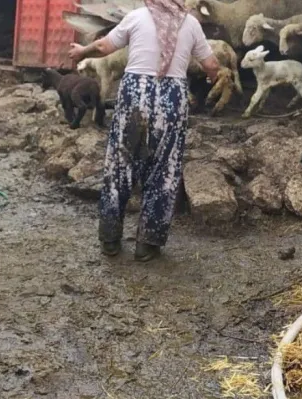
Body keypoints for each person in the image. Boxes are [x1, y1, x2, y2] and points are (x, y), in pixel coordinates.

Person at [68, 0, 221, 262]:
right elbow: (212, 65)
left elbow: (104, 46)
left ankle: (110, 239)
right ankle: (147, 243)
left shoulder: (137, 17)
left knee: (120, 165)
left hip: (134, 95)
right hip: (172, 97)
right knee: (164, 169)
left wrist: (83, 51)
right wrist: (212, 78)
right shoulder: (190, 23)